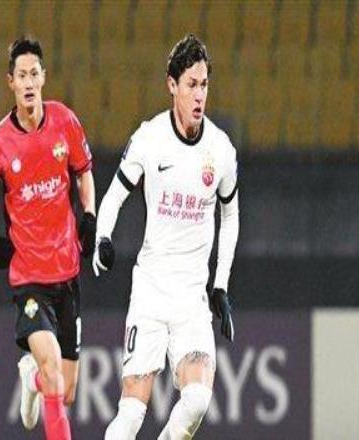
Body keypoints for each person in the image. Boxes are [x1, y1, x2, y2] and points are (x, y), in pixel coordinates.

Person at [93, 34, 239, 439]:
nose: (199, 95)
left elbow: (230, 215)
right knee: (130, 416)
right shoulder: (149, 139)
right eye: (191, 84)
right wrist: (103, 237)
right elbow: (113, 197)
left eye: (204, 84)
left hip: (192, 299)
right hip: (152, 294)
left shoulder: (221, 150)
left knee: (197, 400)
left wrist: (221, 285)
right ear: (172, 85)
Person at [0, 36, 96, 440]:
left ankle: (31, 378)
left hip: (67, 271)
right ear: (11, 82)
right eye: (20, 75)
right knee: (54, 368)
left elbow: (84, 173)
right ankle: (42, 374)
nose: (27, 82)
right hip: (29, 279)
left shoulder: (65, 122)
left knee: (65, 389)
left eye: (33, 74)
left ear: (43, 78)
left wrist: (90, 214)